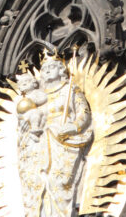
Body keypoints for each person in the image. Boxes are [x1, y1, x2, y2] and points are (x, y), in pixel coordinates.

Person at [16, 53, 93, 217]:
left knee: (57, 181)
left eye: (52, 67)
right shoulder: (36, 95)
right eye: (44, 69)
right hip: (39, 142)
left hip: (63, 140)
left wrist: (71, 127)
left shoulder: (69, 89)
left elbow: (83, 113)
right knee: (36, 182)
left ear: (61, 70)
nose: (47, 71)